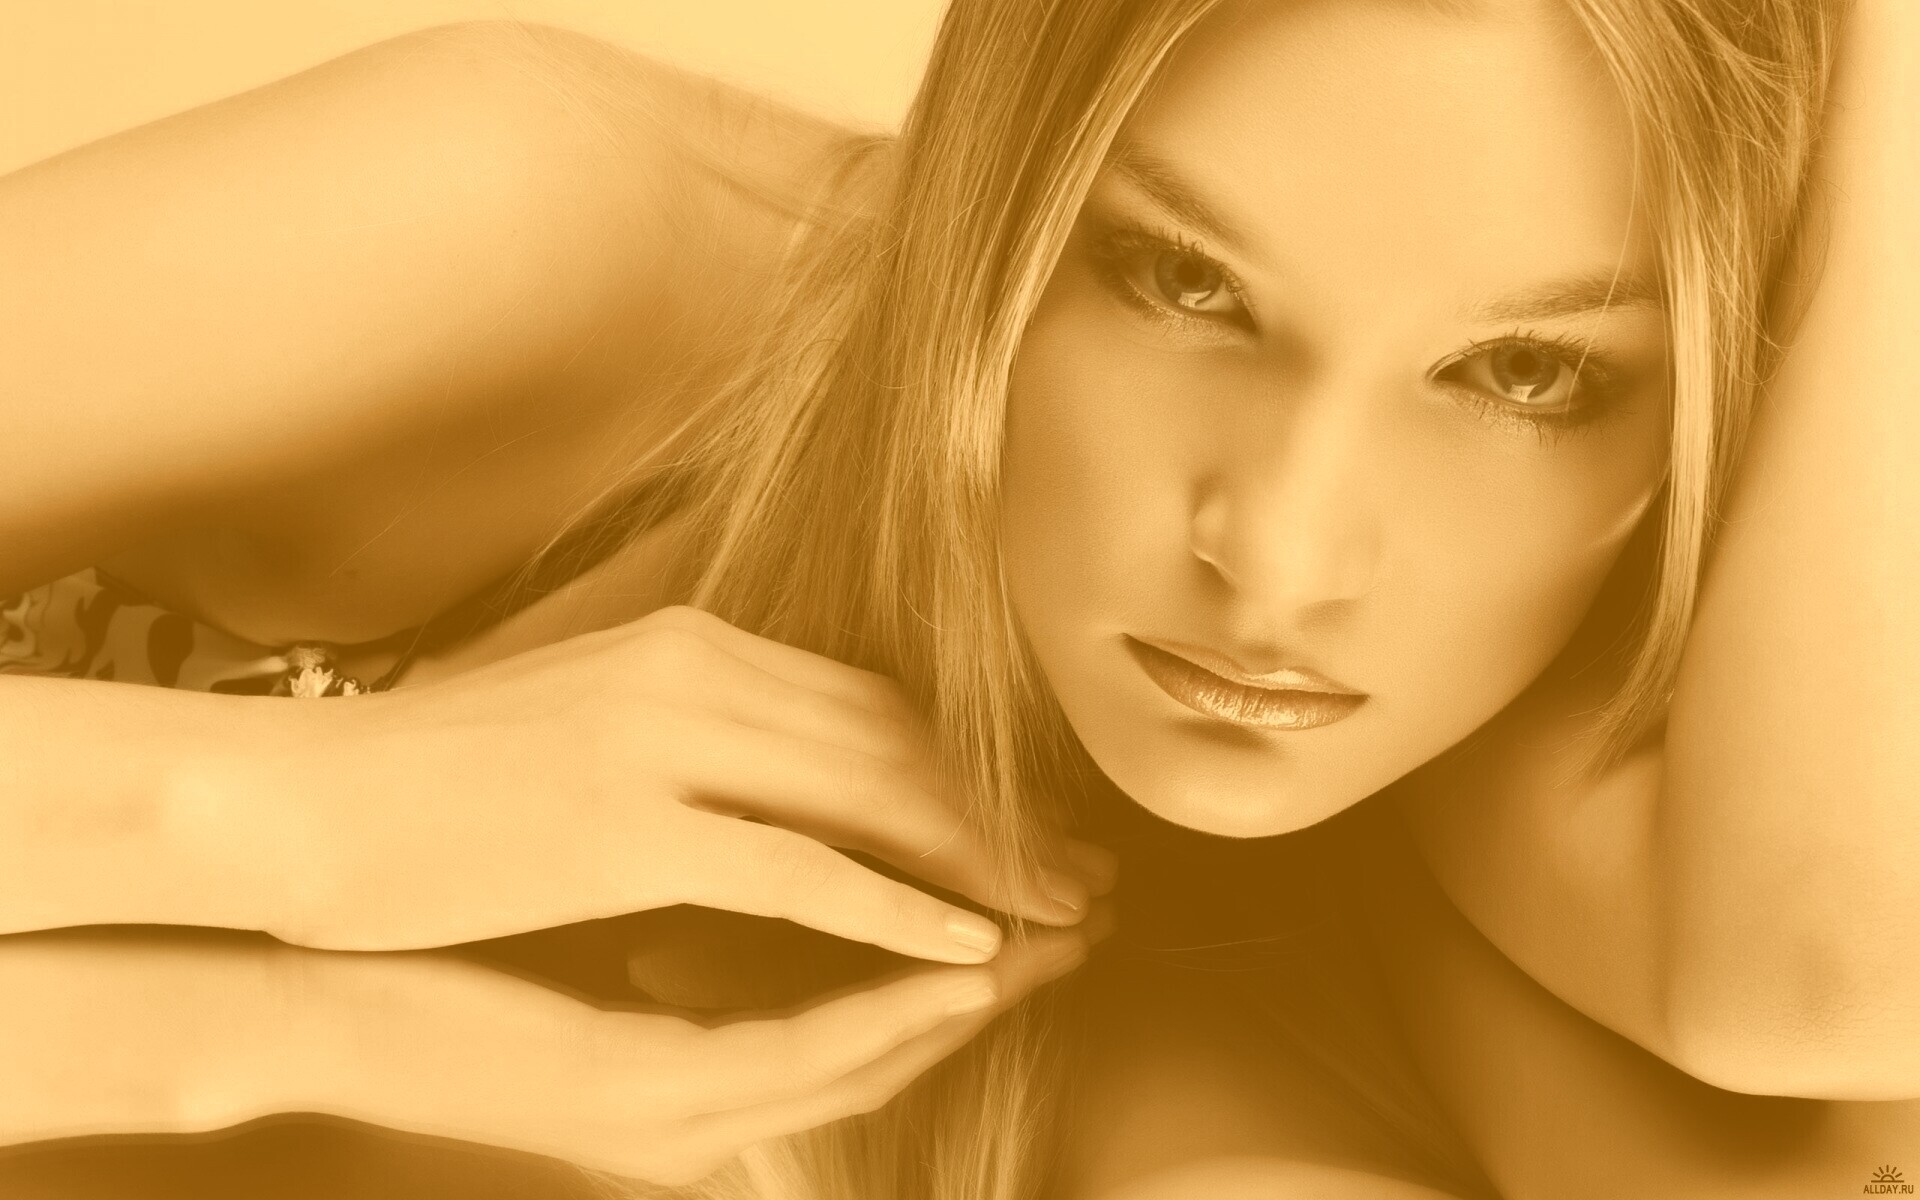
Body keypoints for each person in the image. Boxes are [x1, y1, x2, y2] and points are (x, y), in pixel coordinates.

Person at [0, 0, 1910, 1194]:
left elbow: (1825, 988)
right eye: (1181, 280)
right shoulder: (538, 222)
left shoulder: (1461, 818)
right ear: (999, 183)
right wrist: (296, 818)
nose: (1282, 558)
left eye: (1525, 373)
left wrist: (308, 1032)